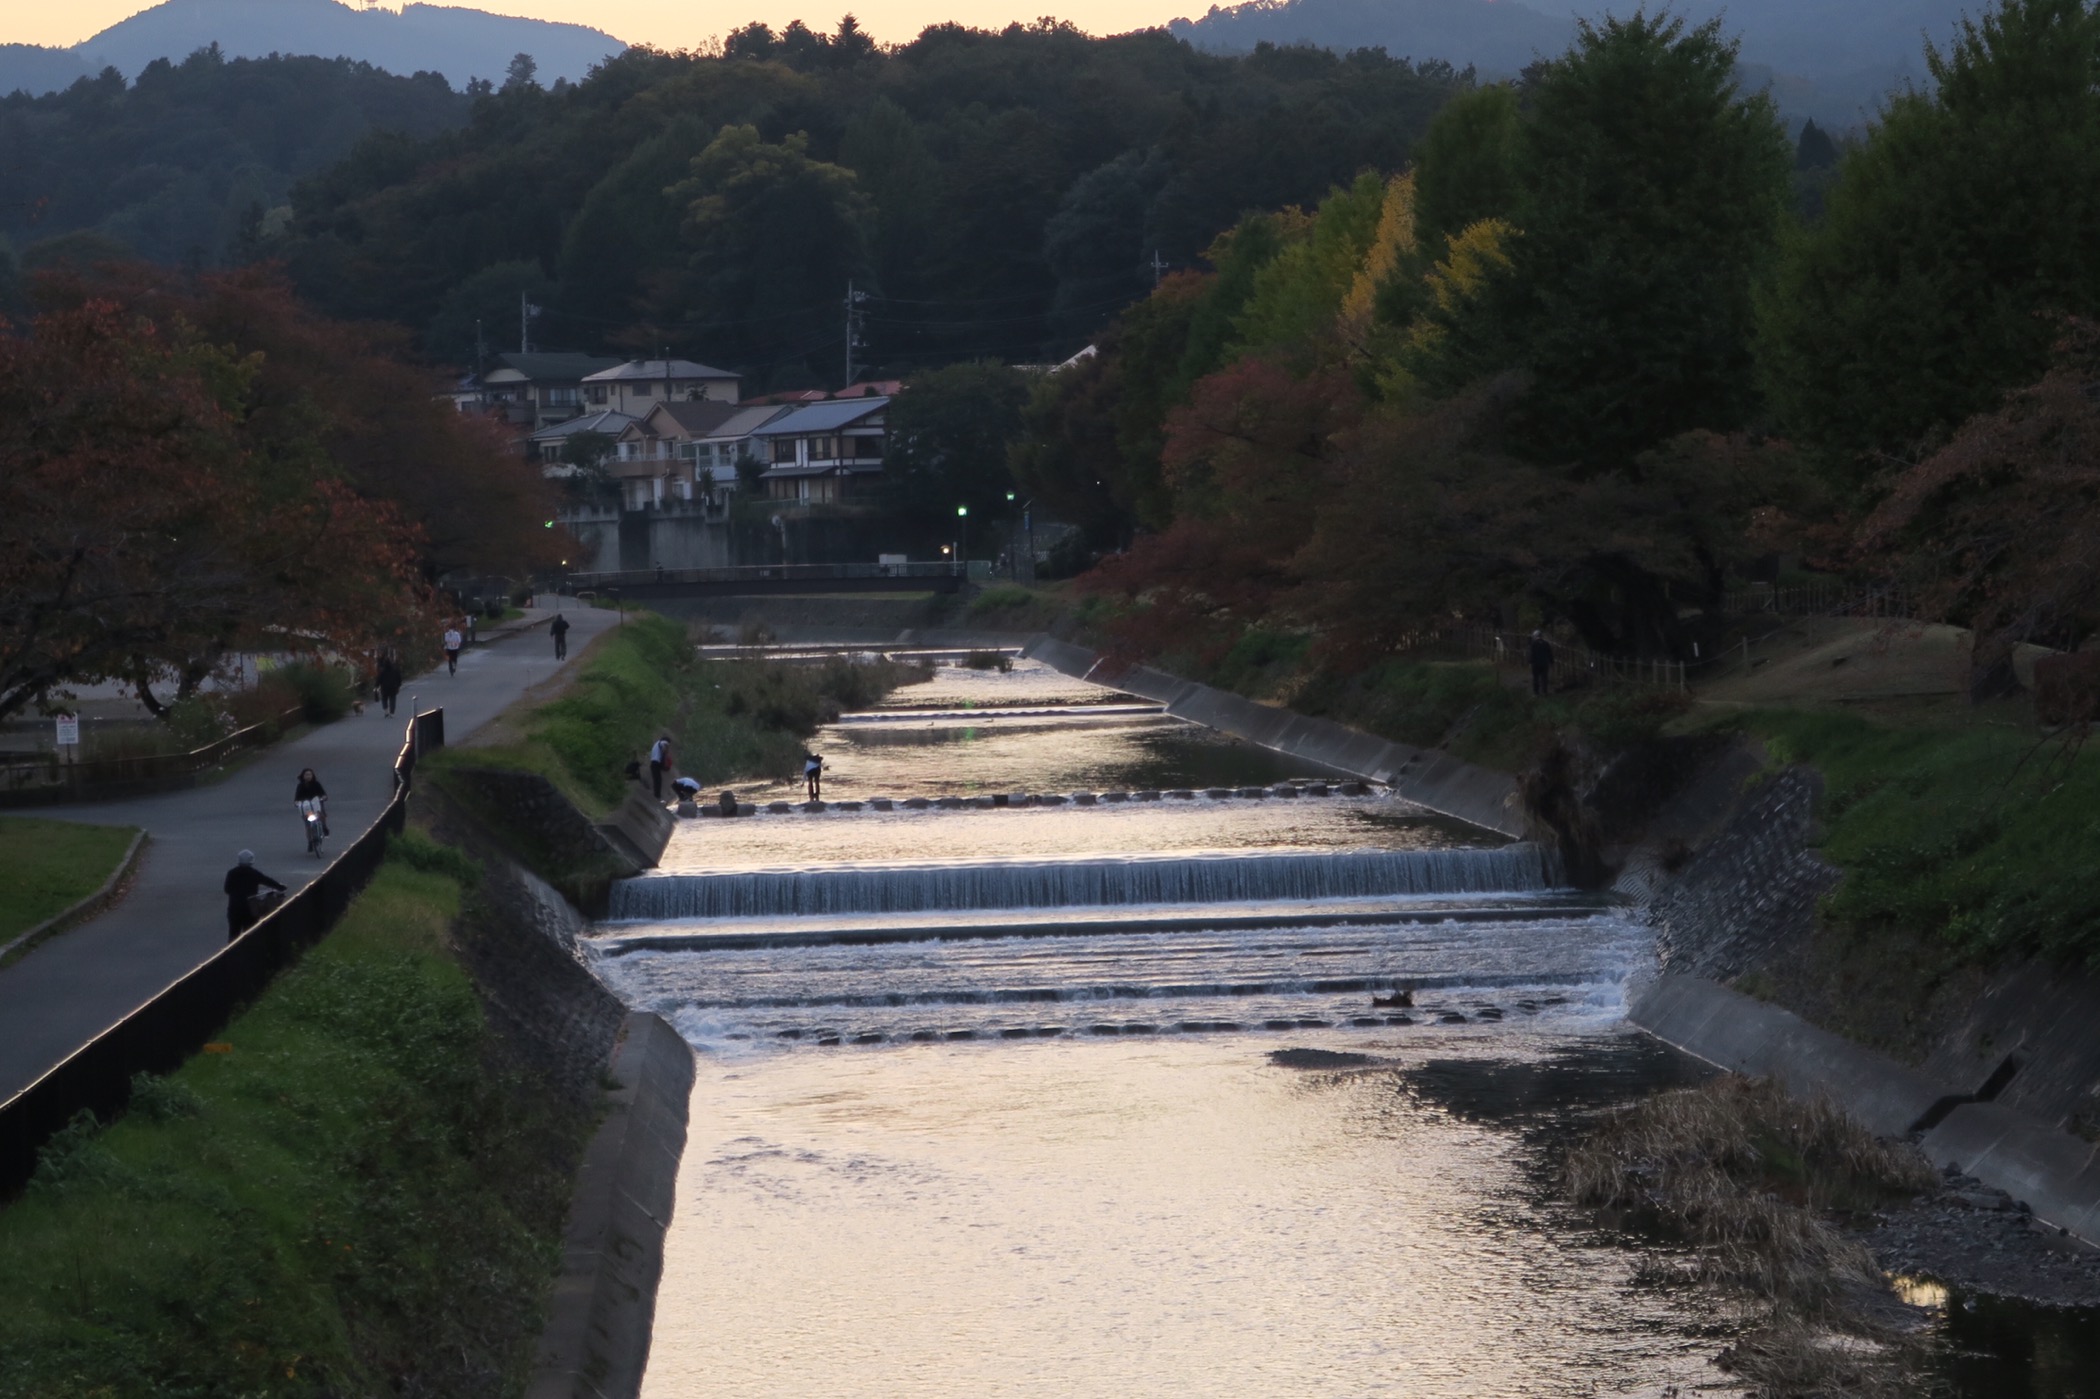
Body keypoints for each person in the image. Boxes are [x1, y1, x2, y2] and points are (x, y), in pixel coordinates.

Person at [223, 850, 286, 941]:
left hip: (234, 908)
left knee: (234, 933)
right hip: (250, 907)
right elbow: (267, 881)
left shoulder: (232, 873)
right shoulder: (254, 873)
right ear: (251, 861)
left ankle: (232, 949)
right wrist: (280, 887)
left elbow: (227, 889)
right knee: (250, 934)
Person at [294, 767, 329, 836]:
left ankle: (323, 827)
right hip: (306, 806)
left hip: (316, 804)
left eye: (310, 775)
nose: (308, 776)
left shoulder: (316, 784)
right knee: (307, 824)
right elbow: (296, 798)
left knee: (321, 815)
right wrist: (297, 803)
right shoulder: (300, 786)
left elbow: (323, 794)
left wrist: (323, 798)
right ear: (303, 776)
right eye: (306, 775)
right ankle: (310, 840)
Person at [375, 649, 403, 717]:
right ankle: (392, 712)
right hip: (393, 687)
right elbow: (399, 678)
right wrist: (399, 685)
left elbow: (379, 679)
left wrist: (376, 686)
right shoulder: (395, 670)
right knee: (392, 699)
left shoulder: (382, 672)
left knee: (384, 699)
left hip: (384, 687)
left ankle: (386, 710)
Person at [1528, 629, 1555, 697]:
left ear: (1534, 636)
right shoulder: (1546, 643)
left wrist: (1530, 662)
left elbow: (1531, 654)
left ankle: (1536, 693)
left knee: (1536, 678)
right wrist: (1551, 662)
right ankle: (1544, 692)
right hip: (1544, 663)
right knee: (1544, 678)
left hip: (1536, 664)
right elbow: (1550, 653)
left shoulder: (1533, 644)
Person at [648, 734, 673, 800]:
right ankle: (657, 796)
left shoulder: (656, 744)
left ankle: (656, 795)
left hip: (653, 763)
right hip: (656, 763)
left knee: (656, 779)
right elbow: (665, 748)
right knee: (658, 780)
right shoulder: (664, 742)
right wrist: (666, 756)